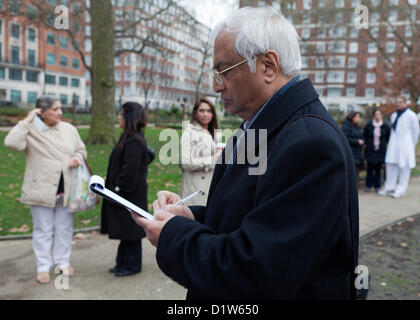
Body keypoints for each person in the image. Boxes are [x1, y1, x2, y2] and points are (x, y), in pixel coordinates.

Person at [132, 6, 359, 299]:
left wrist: (173, 236)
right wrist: (191, 217)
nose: (215, 86)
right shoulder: (267, 126)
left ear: (268, 65)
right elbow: (250, 216)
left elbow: (259, 270)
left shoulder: (311, 145)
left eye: (223, 71)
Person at [4, 96, 87, 284]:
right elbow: (10, 142)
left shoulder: (69, 129)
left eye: (60, 108)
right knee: (43, 230)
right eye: (55, 109)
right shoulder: (30, 130)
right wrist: (26, 120)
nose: (60, 112)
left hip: (66, 188)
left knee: (64, 228)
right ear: (41, 112)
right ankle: (43, 266)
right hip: (40, 189)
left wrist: (77, 157)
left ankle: (62, 262)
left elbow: (81, 149)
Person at [100, 102, 148, 277]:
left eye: (121, 114)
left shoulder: (134, 140)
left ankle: (131, 265)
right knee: (126, 231)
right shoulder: (128, 137)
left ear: (129, 117)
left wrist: (119, 188)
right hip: (125, 193)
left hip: (129, 194)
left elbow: (130, 170)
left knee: (130, 231)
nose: (118, 117)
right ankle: (123, 263)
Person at [179, 98, 222, 206]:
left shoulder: (216, 133)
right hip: (194, 189)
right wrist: (213, 159)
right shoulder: (189, 133)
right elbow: (186, 162)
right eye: (202, 110)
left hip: (211, 187)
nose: (205, 114)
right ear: (195, 113)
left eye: (209, 111)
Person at [378, 96, 420, 198]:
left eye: (400, 102)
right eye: (397, 102)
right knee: (391, 166)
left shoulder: (411, 115)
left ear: (405, 103)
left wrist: (411, 145)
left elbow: (416, 133)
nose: (398, 104)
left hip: (406, 145)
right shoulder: (394, 115)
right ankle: (389, 188)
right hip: (394, 145)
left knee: (404, 168)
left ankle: (400, 190)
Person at [363, 108, 391, 192]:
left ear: (381, 115)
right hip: (370, 150)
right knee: (370, 169)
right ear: (373, 116)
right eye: (375, 115)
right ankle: (368, 186)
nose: (377, 116)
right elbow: (365, 135)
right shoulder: (369, 124)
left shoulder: (385, 125)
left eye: (379, 114)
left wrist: (382, 144)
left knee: (378, 170)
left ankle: (377, 186)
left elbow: (388, 137)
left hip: (380, 150)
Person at [341, 112, 365, 183]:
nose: (358, 119)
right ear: (352, 117)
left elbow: (362, 136)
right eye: (357, 117)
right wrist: (357, 141)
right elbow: (344, 138)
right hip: (350, 151)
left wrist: (363, 140)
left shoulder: (357, 126)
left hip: (358, 152)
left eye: (359, 117)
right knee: (350, 171)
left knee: (356, 171)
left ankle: (354, 186)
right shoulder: (345, 126)